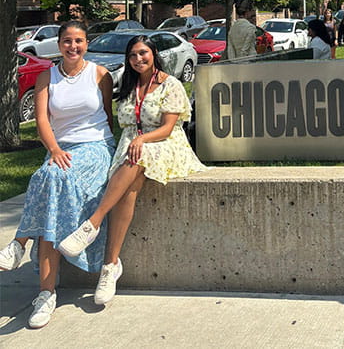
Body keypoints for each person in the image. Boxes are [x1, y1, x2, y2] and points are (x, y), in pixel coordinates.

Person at [58, 35, 206, 306]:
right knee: (129, 188)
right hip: (131, 146)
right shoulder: (127, 85)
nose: (139, 59)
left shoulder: (169, 84)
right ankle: (110, 266)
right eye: (133, 55)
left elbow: (167, 127)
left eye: (143, 53)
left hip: (163, 143)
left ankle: (93, 223)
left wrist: (141, 140)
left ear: (154, 54)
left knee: (136, 160)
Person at [0, 21, 115, 328]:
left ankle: (20, 244)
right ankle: (45, 294)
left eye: (78, 40)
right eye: (67, 41)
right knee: (50, 180)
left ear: (86, 44)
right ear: (59, 44)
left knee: (50, 179)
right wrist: (53, 150)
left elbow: (107, 117)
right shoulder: (45, 77)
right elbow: (41, 120)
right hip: (60, 148)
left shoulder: (100, 75)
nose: (72, 46)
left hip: (95, 148)